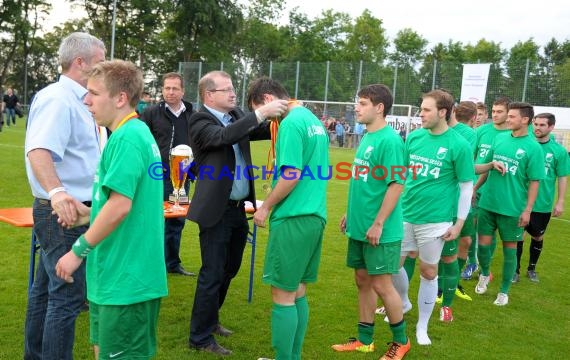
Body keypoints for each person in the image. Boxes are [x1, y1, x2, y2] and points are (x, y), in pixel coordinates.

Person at [55, 59, 168, 359]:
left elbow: (120, 207)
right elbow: (124, 205)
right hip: (113, 275)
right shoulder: (126, 135)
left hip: (128, 278)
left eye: (94, 92)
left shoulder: (129, 137)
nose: (87, 99)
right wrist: (88, 214)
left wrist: (76, 251)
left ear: (120, 98)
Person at [187, 71, 287, 356]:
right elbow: (222, 137)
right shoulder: (200, 120)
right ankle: (199, 337)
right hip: (215, 211)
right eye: (227, 90)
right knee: (212, 273)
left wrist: (281, 111)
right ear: (209, 95)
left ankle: (211, 318)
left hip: (238, 209)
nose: (233, 94)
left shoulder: (236, 116)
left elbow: (258, 130)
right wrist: (259, 113)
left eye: (233, 89)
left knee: (229, 269)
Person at [24, 32, 105, 360]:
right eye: (100, 62)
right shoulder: (58, 97)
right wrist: (57, 194)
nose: (104, 69)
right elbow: (39, 149)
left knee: (45, 293)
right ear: (80, 62)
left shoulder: (82, 98)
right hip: (65, 211)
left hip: (75, 208)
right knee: (66, 299)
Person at [249, 77, 329, 360]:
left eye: (260, 110)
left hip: (293, 216)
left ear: (269, 100)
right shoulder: (312, 119)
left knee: (282, 295)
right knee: (297, 291)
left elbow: (291, 174)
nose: (262, 118)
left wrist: (266, 206)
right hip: (314, 215)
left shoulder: (291, 123)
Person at [331, 84, 410, 359]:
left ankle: (401, 342)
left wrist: (378, 223)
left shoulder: (390, 141)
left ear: (379, 108)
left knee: (381, 285)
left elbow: (396, 185)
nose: (357, 107)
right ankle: (365, 340)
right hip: (359, 225)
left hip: (380, 230)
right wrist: (350, 215)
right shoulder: (367, 136)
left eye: (363, 103)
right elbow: (366, 183)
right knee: (362, 279)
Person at [391, 89, 475, 345]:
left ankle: (422, 327)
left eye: (426, 110)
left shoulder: (458, 144)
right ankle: (403, 302)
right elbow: (401, 174)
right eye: (421, 109)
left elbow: (465, 186)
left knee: (428, 272)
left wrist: (459, 222)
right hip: (405, 214)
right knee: (393, 265)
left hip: (436, 220)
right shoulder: (414, 138)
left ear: (442, 112)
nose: (421, 114)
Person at [475, 102, 545, 306]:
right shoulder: (500, 138)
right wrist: (474, 188)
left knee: (510, 250)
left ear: (525, 120)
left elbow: (535, 181)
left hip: (512, 208)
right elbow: (488, 167)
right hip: (488, 203)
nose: (508, 119)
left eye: (512, 117)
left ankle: (504, 291)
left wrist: (527, 210)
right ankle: (485, 275)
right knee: (483, 247)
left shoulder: (533, 148)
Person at [141, 72, 195, 276]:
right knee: (152, 219)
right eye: (167, 88)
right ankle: (150, 263)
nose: (170, 92)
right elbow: (142, 143)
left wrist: (193, 170)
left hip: (182, 178)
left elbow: (197, 143)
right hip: (156, 177)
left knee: (177, 221)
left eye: (175, 88)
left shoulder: (192, 114)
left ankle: (172, 263)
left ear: (183, 91)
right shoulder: (150, 113)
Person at [513, 113, 569, 283]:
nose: (537, 127)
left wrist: (560, 201)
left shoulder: (558, 151)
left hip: (542, 204)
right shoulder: (526, 145)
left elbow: (562, 177)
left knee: (537, 236)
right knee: (518, 236)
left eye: (542, 125)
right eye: (535, 124)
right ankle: (515, 271)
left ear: (551, 127)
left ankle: (531, 268)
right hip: (521, 201)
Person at [462, 97, 511, 280]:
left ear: (508, 113)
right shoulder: (480, 132)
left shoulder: (511, 135)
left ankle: (485, 267)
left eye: (500, 112)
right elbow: (470, 157)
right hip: (475, 186)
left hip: (498, 190)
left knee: (490, 231)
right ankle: (472, 263)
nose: (496, 115)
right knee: (471, 227)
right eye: (494, 111)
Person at [436, 101, 478, 314]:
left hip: (460, 201)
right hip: (439, 204)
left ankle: (448, 287)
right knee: (423, 252)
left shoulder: (468, 134)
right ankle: (439, 289)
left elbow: (466, 167)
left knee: (465, 241)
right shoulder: (424, 134)